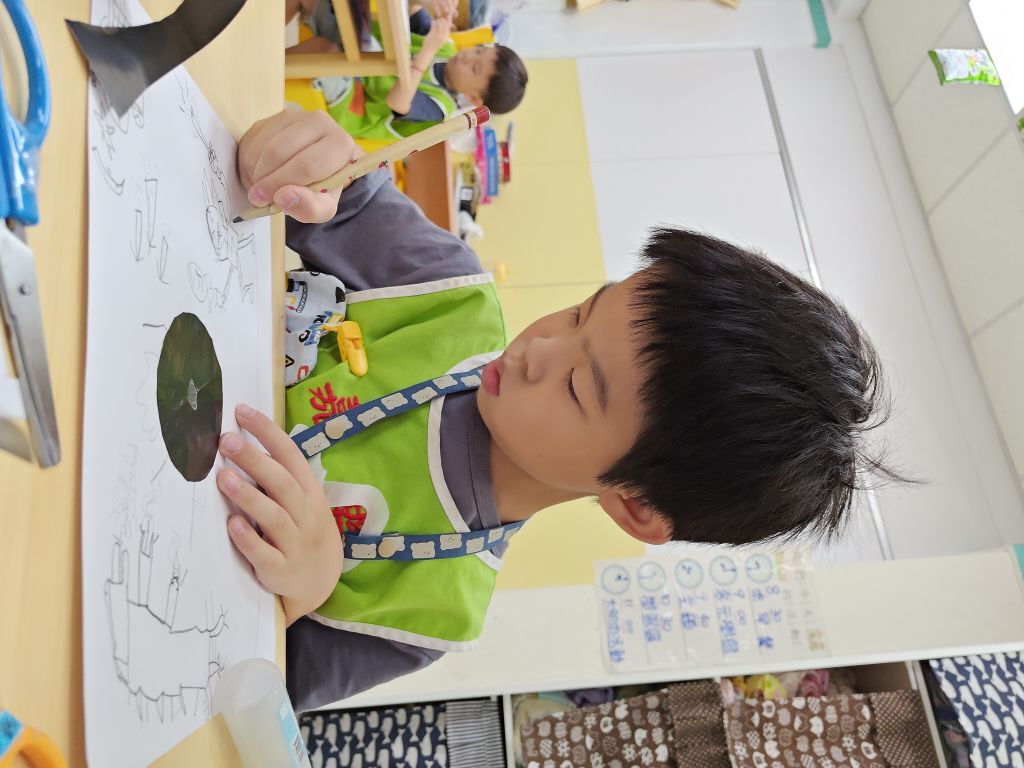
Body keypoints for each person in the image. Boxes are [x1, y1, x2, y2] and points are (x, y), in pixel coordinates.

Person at [218, 108, 895, 710]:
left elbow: (242, 696)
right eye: (579, 313)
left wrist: (302, 593)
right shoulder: (445, 292)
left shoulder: (433, 612)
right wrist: (307, 156)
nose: (539, 349)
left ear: (634, 506)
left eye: (577, 387)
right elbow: (340, 193)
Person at [285, 0, 527, 140]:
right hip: (358, 49)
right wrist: (428, 3)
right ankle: (263, 44)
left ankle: (268, 68)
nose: (466, 57)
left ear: (474, 98)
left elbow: (397, 101)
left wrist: (427, 51)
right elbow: (411, 11)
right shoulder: (445, 48)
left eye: (474, 68)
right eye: (478, 52)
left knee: (325, 51)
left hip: (356, 99)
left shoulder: (440, 109)